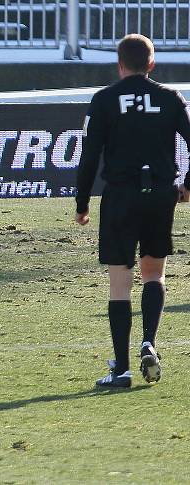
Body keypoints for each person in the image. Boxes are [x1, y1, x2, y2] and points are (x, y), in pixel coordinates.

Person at [75, 33, 190, 388]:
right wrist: (187, 185)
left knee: (119, 282)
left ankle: (122, 369)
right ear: (151, 64)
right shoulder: (171, 99)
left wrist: (82, 204)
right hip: (159, 195)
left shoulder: (104, 100)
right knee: (154, 273)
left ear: (120, 63)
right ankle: (148, 340)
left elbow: (90, 156)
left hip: (121, 197)